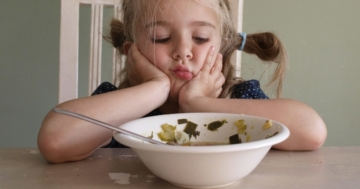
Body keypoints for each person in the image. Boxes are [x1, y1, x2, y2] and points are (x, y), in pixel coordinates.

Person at [38, 0, 327, 163]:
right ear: (132, 52)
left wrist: (200, 104)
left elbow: (311, 131)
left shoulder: (238, 97)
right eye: (161, 38)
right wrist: (155, 88)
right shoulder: (117, 105)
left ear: (222, 49)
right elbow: (54, 141)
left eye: (200, 38)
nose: (183, 51)